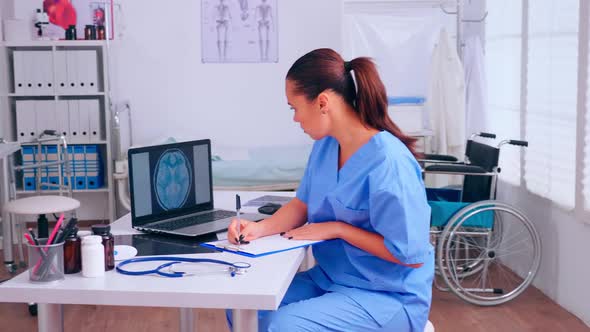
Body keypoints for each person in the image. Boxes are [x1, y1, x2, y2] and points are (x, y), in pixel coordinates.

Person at [227, 48, 433, 332]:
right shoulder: (325, 146)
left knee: (283, 327)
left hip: (386, 297)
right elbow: (302, 205)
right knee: (245, 309)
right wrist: (259, 229)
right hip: (331, 279)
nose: (295, 119)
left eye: (294, 108)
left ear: (322, 102)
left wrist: (337, 229)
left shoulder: (389, 163)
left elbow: (410, 256)